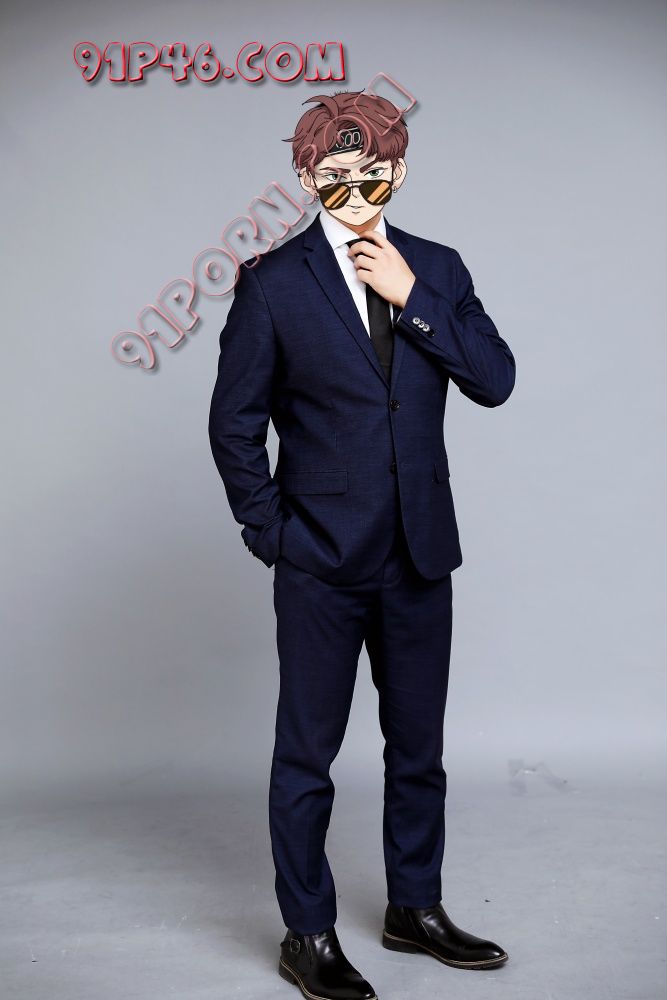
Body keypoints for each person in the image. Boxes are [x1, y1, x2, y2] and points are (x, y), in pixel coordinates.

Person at [208, 90, 515, 1000]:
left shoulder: (438, 269)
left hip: (420, 553)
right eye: (333, 173)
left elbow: (494, 379)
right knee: (307, 757)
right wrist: (273, 534)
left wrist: (411, 299)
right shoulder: (272, 282)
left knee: (418, 752)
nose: (353, 187)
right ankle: (306, 933)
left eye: (370, 171)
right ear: (307, 178)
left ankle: (413, 909)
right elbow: (234, 424)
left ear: (398, 171)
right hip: (320, 561)